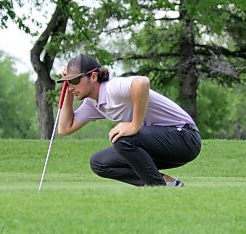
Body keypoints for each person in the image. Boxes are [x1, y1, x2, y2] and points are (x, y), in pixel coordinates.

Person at [57, 54, 201, 187]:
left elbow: (142, 82)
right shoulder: (92, 103)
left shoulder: (111, 88)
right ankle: (165, 185)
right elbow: (65, 128)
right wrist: (67, 93)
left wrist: (134, 125)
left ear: (93, 76)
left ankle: (155, 187)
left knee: (123, 138)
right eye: (67, 82)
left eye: (74, 80)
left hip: (185, 138)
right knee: (99, 162)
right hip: (160, 146)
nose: (71, 87)